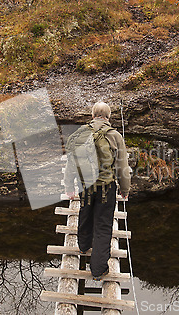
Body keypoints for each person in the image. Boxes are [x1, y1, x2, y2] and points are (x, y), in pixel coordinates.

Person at [63, 101, 131, 280]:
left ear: (92, 115)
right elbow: (122, 166)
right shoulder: (115, 136)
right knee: (102, 226)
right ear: (108, 117)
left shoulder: (78, 134)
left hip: (84, 186)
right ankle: (98, 269)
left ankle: (84, 245)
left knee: (85, 214)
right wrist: (125, 189)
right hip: (106, 188)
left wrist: (69, 186)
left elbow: (71, 163)